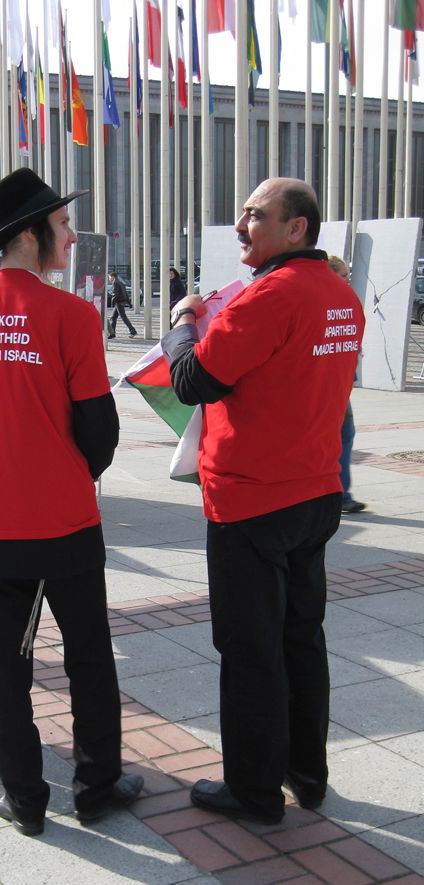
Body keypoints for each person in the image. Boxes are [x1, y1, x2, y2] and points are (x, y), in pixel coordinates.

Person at [0, 168, 143, 836]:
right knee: (88, 658)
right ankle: (97, 785)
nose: (71, 236)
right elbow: (99, 430)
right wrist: (63, 467)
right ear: (32, 234)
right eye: (63, 225)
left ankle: (24, 797)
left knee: (6, 667)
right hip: (65, 521)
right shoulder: (71, 315)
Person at [163, 177, 365, 825]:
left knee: (251, 647)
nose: (240, 225)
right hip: (316, 491)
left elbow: (192, 379)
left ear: (296, 227)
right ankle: (306, 772)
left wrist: (183, 322)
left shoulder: (270, 296)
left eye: (255, 214)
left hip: (252, 500)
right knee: (301, 638)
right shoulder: (340, 295)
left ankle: (253, 789)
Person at [328, 254, 367, 514]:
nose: (348, 281)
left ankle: (339, 494)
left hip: (338, 386)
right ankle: (338, 495)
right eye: (343, 275)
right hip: (331, 387)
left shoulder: (343, 301)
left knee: (343, 435)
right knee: (341, 436)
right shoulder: (332, 302)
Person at [108, 270, 137, 339]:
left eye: (109, 277)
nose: (109, 279)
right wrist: (129, 303)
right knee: (113, 317)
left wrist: (112, 302)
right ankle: (112, 333)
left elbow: (115, 294)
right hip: (121, 302)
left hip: (119, 302)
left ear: (113, 276)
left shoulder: (115, 283)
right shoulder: (120, 283)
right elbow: (125, 293)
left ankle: (133, 331)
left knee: (123, 317)